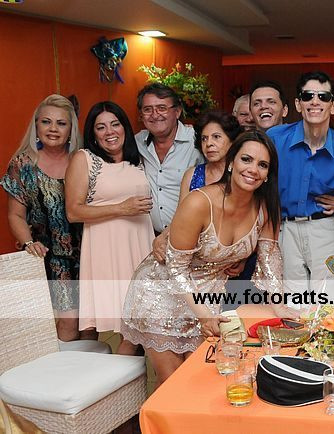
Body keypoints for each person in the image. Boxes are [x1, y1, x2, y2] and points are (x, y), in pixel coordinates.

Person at [122, 130, 288, 385]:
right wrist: (203, 315)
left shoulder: (265, 209)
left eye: (262, 165)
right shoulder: (199, 202)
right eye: (246, 159)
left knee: (203, 378)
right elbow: (175, 268)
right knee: (173, 383)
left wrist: (281, 306)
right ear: (231, 163)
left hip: (208, 297)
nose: (253, 169)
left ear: (268, 175)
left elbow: (270, 263)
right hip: (162, 293)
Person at [65, 101, 154, 355]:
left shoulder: (138, 159)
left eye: (115, 124)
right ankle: (103, 376)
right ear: (93, 133)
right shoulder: (84, 159)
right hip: (107, 250)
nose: (109, 132)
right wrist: (121, 208)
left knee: (141, 325)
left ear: (125, 127)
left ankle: (132, 379)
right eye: (101, 127)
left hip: (140, 247)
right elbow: (73, 212)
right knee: (125, 327)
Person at [267, 71, 334, 301]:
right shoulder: (275, 138)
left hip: (324, 229)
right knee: (292, 305)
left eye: (323, 96)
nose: (315, 101)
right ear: (298, 104)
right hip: (284, 229)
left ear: (333, 106)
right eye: (307, 96)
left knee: (329, 304)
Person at [0, 94, 84, 342]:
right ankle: (61, 367)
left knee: (89, 322)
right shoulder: (23, 163)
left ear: (71, 129)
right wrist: (28, 243)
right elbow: (15, 214)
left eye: (61, 123)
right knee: (69, 321)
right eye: (46, 122)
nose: (53, 129)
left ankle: (85, 367)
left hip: (87, 252)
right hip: (47, 256)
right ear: (36, 126)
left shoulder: (83, 160)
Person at [152, 110, 243, 264]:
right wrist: (161, 238)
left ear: (232, 141)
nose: (209, 143)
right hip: (191, 256)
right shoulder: (192, 175)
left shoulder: (241, 175)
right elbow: (179, 219)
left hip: (231, 257)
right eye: (204, 138)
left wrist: (241, 259)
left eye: (216, 137)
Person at [135, 83, 202, 236]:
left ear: (177, 112)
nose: (155, 115)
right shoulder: (137, 142)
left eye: (162, 108)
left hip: (193, 236)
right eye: (147, 109)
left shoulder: (197, 140)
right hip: (151, 236)